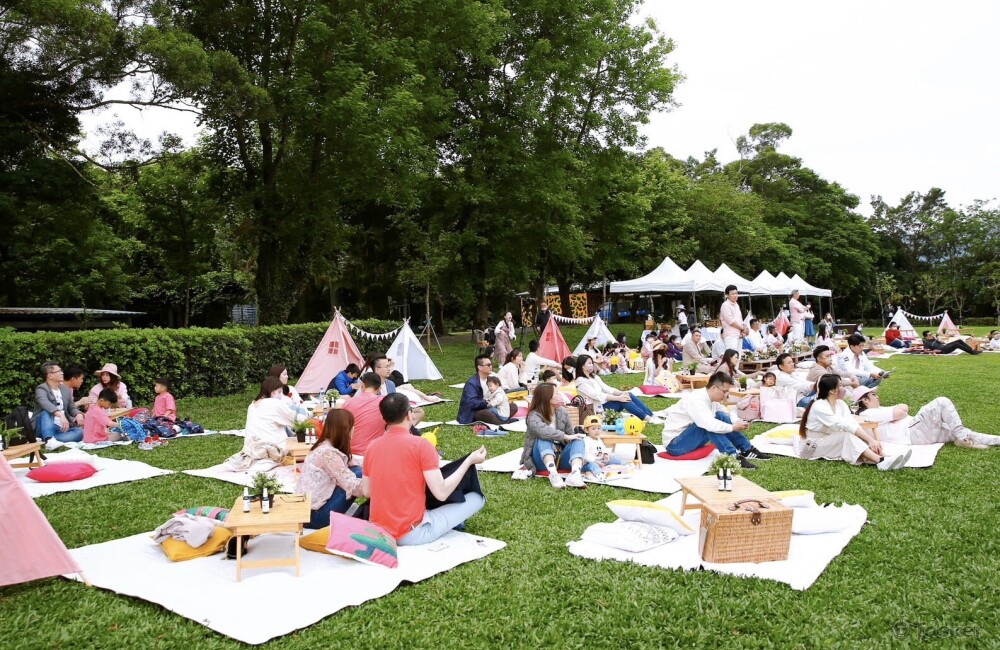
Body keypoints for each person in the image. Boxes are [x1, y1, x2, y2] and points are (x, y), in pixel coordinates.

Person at [363, 394, 487, 545]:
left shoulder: (372, 447)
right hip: (410, 533)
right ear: (409, 415)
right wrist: (469, 461)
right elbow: (441, 493)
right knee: (477, 498)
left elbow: (367, 491)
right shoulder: (421, 445)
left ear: (384, 418)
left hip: (378, 532)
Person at [795, 375, 909, 470]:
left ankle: (884, 457)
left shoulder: (841, 404)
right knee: (847, 436)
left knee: (855, 435)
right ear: (832, 391)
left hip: (830, 439)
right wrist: (870, 440)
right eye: (840, 385)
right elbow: (843, 424)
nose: (844, 388)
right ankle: (880, 461)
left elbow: (851, 423)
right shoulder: (819, 406)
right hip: (813, 446)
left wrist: (870, 440)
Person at [660, 371, 765, 469]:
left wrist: (738, 422)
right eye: (725, 391)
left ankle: (746, 449)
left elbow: (724, 413)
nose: (726, 395)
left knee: (719, 415)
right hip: (675, 445)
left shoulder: (710, 398)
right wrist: (733, 427)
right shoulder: (696, 399)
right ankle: (732, 456)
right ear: (714, 388)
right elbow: (708, 424)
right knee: (708, 424)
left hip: (688, 439)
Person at [854, 386, 998, 450]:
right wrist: (898, 412)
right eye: (873, 395)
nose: (877, 396)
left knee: (965, 432)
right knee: (941, 402)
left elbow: (904, 408)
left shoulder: (879, 410)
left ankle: (970, 439)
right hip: (913, 433)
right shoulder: (868, 414)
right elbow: (901, 412)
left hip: (919, 432)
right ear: (865, 400)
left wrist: (899, 412)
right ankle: (963, 439)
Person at [299, 409, 365, 529]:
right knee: (359, 475)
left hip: (307, 510)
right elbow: (354, 487)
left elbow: (354, 462)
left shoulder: (324, 445)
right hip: (315, 516)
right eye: (352, 425)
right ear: (346, 429)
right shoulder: (328, 454)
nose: (354, 429)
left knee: (356, 470)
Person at [223, 377, 300, 471]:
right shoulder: (274, 403)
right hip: (272, 447)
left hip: (252, 447)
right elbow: (296, 420)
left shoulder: (252, 405)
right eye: (280, 392)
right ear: (272, 392)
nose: (281, 396)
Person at [520, 383, 587, 488]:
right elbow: (543, 431)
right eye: (556, 393)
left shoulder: (562, 412)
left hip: (560, 457)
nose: (559, 396)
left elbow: (570, 435)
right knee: (544, 437)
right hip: (540, 460)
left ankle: (575, 474)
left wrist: (572, 439)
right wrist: (564, 436)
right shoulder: (533, 416)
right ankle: (553, 474)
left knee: (578, 439)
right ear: (547, 397)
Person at [574, 355, 660, 423]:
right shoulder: (581, 381)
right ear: (582, 366)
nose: (592, 365)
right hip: (595, 409)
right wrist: (618, 398)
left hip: (604, 404)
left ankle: (651, 415)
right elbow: (597, 395)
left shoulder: (594, 377)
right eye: (589, 363)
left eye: (592, 363)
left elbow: (607, 389)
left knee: (628, 395)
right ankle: (647, 418)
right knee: (623, 401)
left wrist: (621, 393)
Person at [32, 362, 84, 446]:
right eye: (59, 371)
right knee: (46, 412)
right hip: (43, 426)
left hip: (61, 428)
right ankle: (49, 439)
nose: (62, 373)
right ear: (50, 375)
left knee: (80, 432)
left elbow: (71, 407)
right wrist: (60, 415)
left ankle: (50, 440)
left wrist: (78, 414)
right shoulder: (41, 389)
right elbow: (45, 403)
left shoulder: (65, 389)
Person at [458, 355, 516, 425]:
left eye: (491, 364)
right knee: (485, 413)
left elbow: (498, 392)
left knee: (513, 406)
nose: (491, 367)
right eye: (488, 365)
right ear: (480, 367)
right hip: (477, 411)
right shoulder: (472, 383)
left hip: (492, 406)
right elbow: (472, 403)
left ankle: (501, 421)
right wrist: (486, 403)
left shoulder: (491, 379)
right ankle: (503, 422)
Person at [343, 372, 385, 456]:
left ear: (362, 385)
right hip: (374, 454)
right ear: (379, 389)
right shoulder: (384, 403)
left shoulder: (348, 403)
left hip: (350, 453)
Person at [580, 414, 630, 482]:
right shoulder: (586, 440)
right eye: (593, 429)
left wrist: (605, 454)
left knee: (612, 458)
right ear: (586, 430)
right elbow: (585, 455)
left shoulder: (598, 439)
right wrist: (596, 462)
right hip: (589, 463)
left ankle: (624, 464)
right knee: (593, 465)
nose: (597, 431)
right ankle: (599, 474)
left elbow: (604, 449)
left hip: (600, 460)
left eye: (598, 428)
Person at [719, 284, 747, 352]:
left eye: (736, 293)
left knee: (738, 356)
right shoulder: (725, 305)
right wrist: (742, 328)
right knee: (732, 356)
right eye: (732, 294)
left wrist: (744, 329)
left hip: (739, 335)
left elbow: (740, 320)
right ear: (727, 295)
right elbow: (731, 321)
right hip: (731, 335)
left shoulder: (736, 305)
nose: (735, 295)